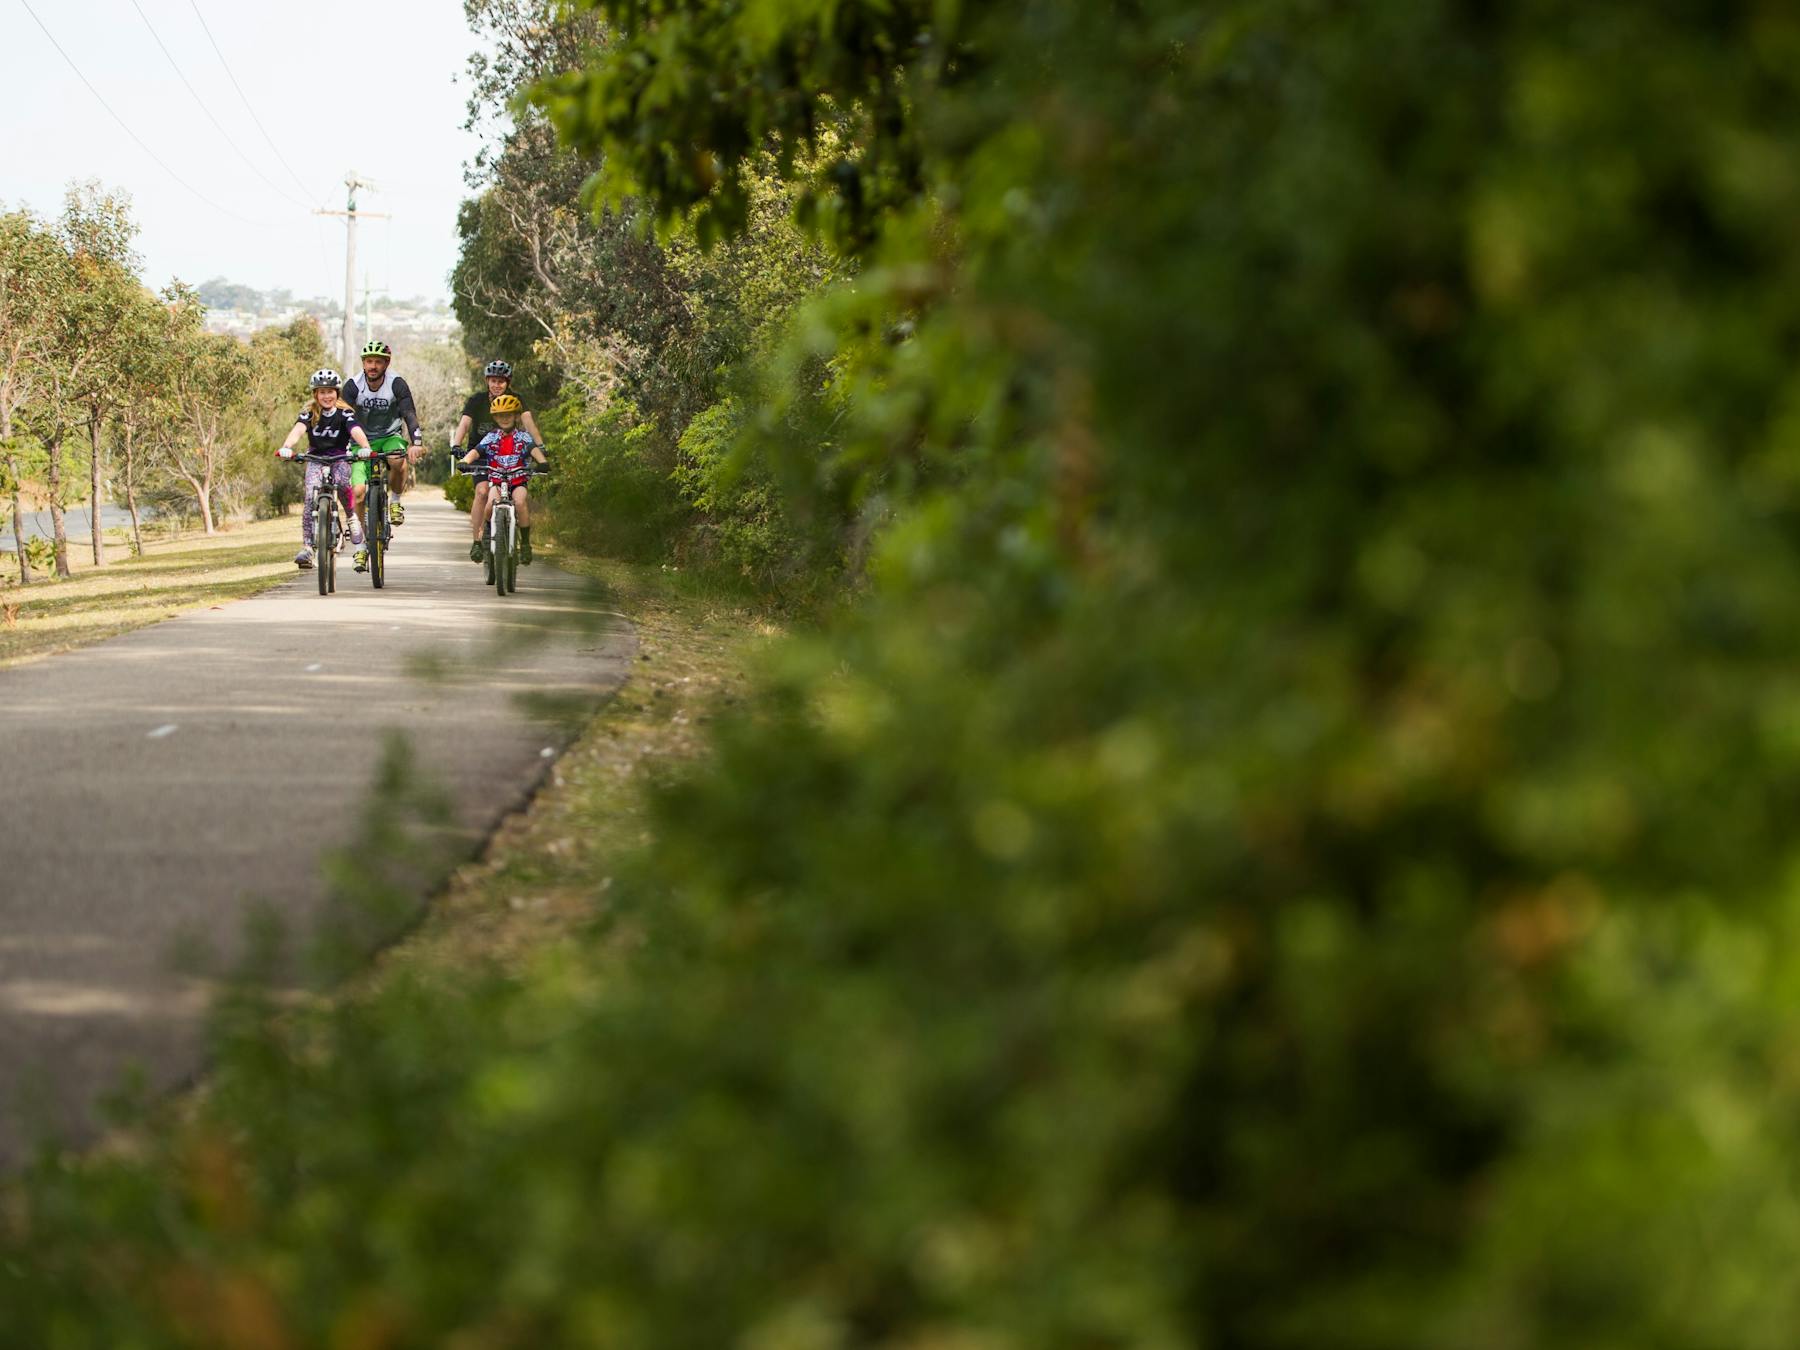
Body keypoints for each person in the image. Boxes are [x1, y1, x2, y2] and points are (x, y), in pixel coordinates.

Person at [276, 370, 373, 569]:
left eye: (330, 391)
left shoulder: (345, 413)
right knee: (310, 496)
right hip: (316, 459)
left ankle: (353, 522)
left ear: (337, 393)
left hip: (339, 458)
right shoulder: (309, 413)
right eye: (322, 392)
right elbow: (298, 429)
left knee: (344, 486)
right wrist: (287, 446)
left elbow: (355, 430)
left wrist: (365, 447)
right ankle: (307, 547)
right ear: (315, 394)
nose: (326, 396)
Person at [342, 340, 424, 571]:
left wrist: (416, 443)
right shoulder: (353, 386)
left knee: (398, 459)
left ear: (386, 363)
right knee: (358, 493)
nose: (373, 366)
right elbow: (342, 418)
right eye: (369, 361)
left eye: (378, 362)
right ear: (363, 363)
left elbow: (409, 413)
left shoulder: (396, 384)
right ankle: (360, 548)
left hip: (390, 437)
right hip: (360, 441)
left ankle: (395, 501)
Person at [452, 360, 546, 552]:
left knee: (518, 497)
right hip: (481, 454)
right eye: (493, 381)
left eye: (501, 381)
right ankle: (478, 541)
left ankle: (514, 532)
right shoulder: (477, 400)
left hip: (511, 456)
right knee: (482, 493)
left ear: (508, 382)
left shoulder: (516, 400)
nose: (497, 385)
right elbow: (464, 424)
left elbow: (528, 422)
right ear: (487, 381)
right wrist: (456, 445)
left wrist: (540, 447)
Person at [461, 394, 547, 564]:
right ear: (495, 418)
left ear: (516, 416)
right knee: (489, 505)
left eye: (509, 415)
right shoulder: (491, 436)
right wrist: (465, 461)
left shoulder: (523, 436)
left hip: (518, 480)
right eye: (501, 415)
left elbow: (534, 449)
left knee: (520, 502)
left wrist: (542, 462)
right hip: (498, 480)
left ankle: (525, 544)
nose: (505, 419)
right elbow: (477, 451)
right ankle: (484, 536)